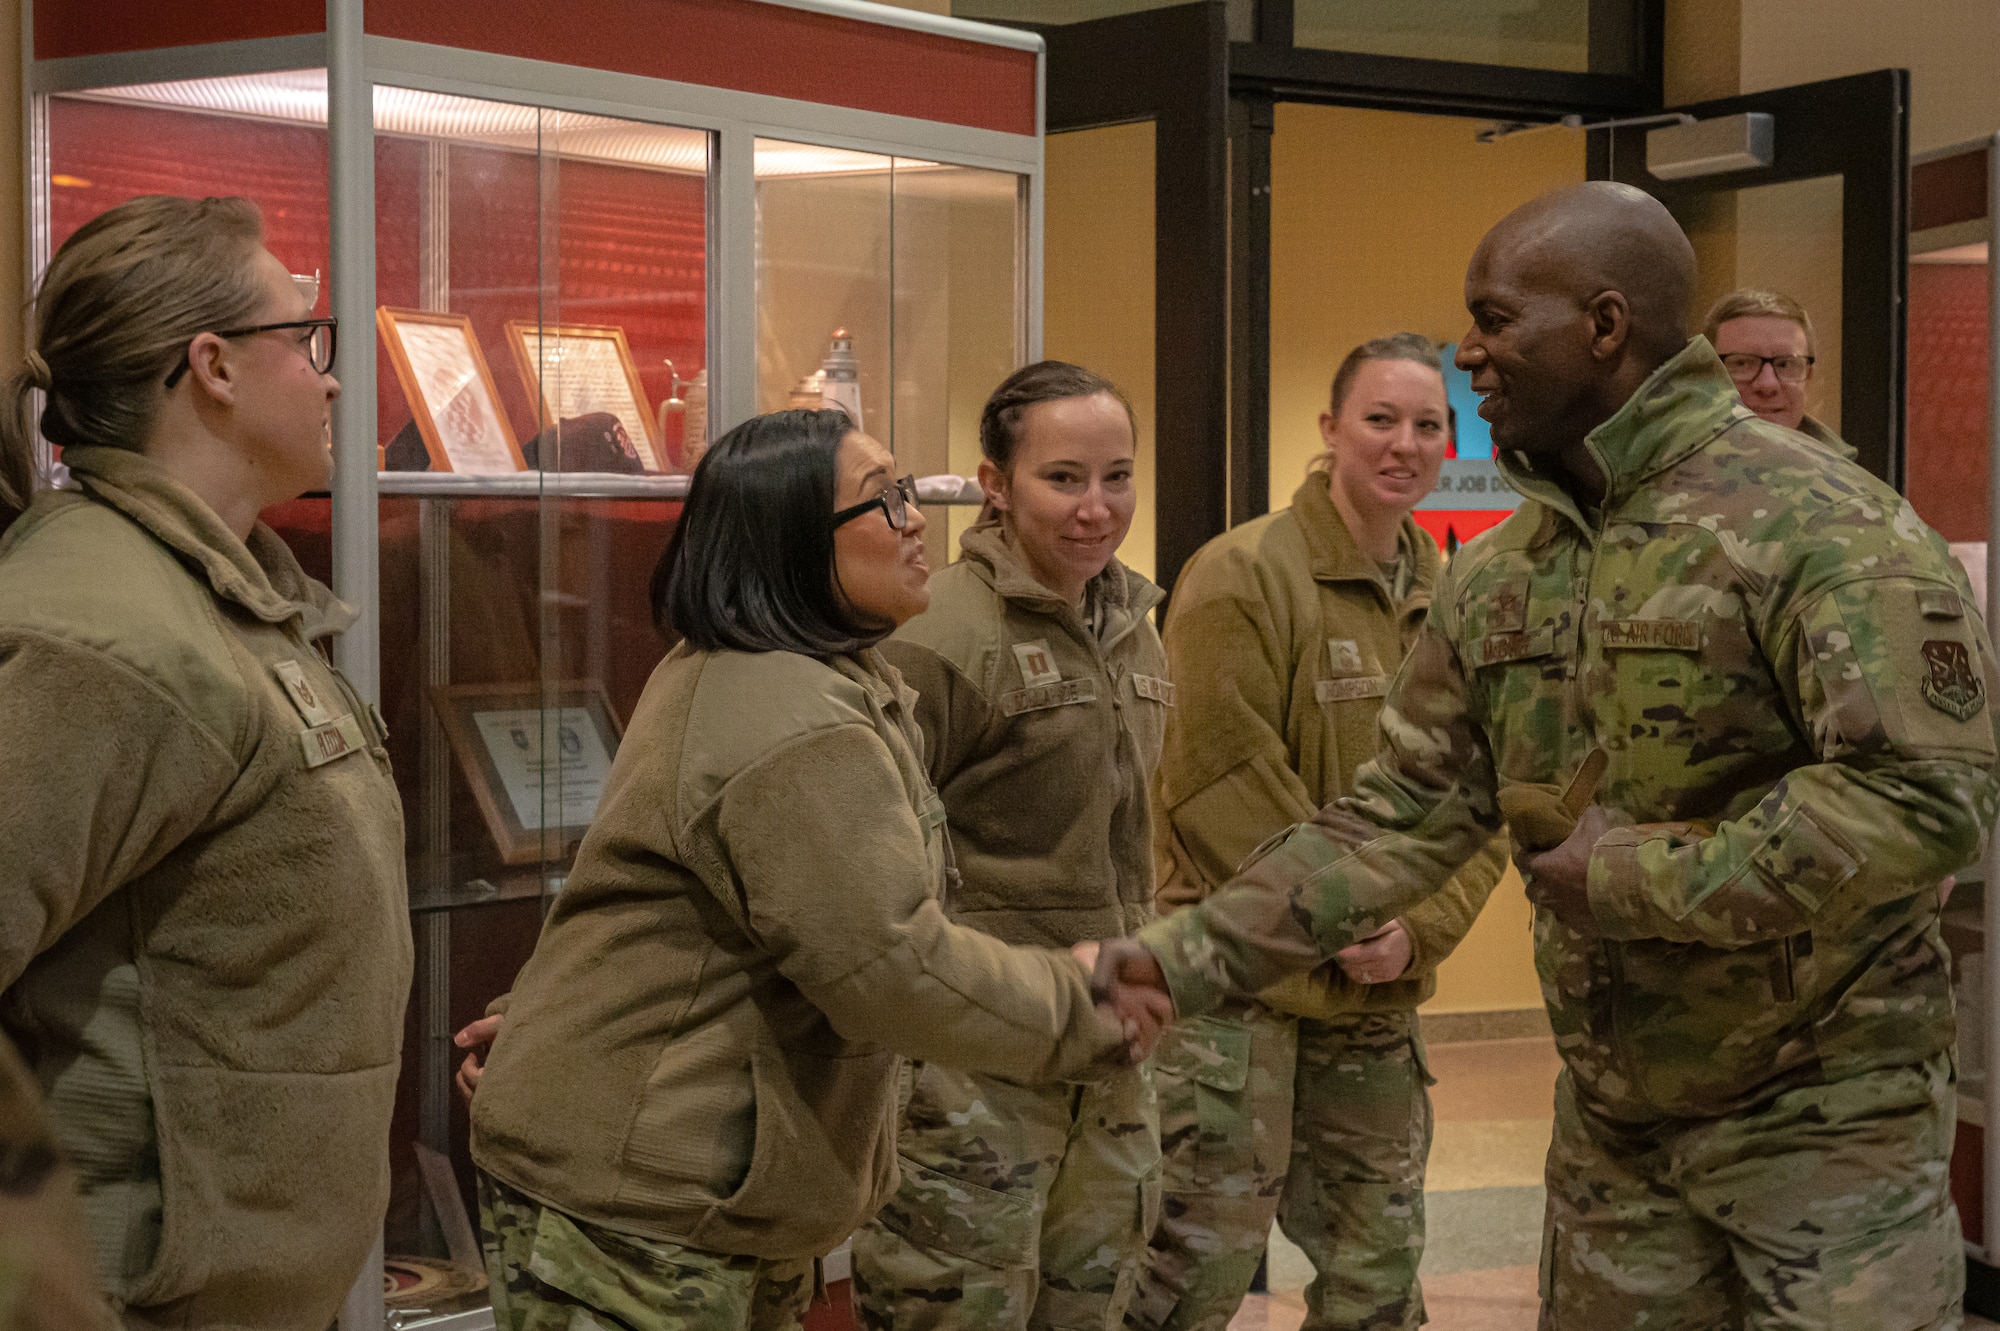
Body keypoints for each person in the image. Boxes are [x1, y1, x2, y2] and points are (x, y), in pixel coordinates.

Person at [1098, 181, 1996, 1329]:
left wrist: (1632, 879)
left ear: (1604, 327)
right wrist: (1165, 961)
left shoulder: (1822, 527)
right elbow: (1399, 813)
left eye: (1492, 317)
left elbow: (1927, 795)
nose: (1466, 352)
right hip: (1614, 1137)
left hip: (1825, 1129)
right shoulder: (1500, 570)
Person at [466, 408, 1161, 1331]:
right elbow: (889, 966)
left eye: (908, 491)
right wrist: (1080, 1001)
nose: (917, 521)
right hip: (644, 1205)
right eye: (883, 503)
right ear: (794, 540)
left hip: (710, 1191)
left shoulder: (809, 676)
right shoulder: (788, 708)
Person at [0, 194, 411, 1328]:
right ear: (213, 366)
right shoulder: (102, 633)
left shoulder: (210, 596)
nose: (331, 377)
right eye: (306, 336)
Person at [1128, 335, 1506, 1331]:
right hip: (1237, 995)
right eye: (1379, 419)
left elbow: (1488, 793)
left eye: (1428, 424)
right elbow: (1214, 783)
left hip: (1373, 1000)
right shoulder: (1242, 574)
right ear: (1329, 428)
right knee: (1185, 1279)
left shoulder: (1457, 592)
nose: (1404, 443)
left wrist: (1413, 928)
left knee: (1376, 1281)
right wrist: (1347, 909)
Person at [851, 362, 1168, 1331]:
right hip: (974, 1063)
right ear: (994, 483)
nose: (1095, 506)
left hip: (1108, 1045)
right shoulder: (938, 634)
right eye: (1062, 477)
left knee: (1090, 1305)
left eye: (1115, 476)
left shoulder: (1134, 628)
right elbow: (880, 861)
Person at [1704, 287, 1843, 447]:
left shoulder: (1849, 470)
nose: (1767, 385)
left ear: (1809, 377)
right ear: (1706, 374)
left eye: (1785, 364)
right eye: (1742, 363)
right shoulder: (1672, 464)